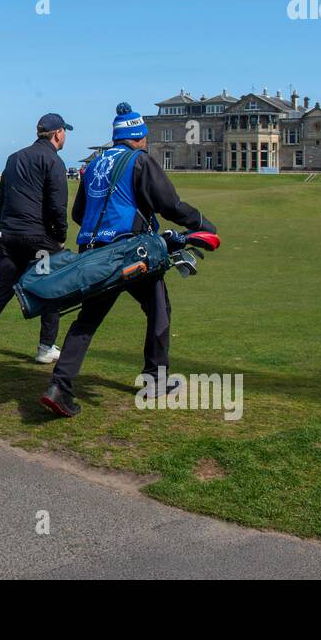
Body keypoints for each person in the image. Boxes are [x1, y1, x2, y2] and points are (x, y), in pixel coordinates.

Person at [40, 102, 218, 418]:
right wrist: (202, 224)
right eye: (144, 136)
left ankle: (59, 386)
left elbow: (79, 213)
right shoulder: (140, 161)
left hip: (92, 252)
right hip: (129, 253)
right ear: (137, 136)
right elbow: (170, 205)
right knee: (159, 310)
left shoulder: (95, 163)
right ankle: (156, 380)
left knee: (87, 321)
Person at [0, 113, 74, 375]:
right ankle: (46, 347)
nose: (65, 135)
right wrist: (60, 235)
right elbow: (58, 206)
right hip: (40, 242)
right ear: (57, 133)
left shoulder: (14, 158)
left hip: (10, 238)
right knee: (50, 286)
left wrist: (5, 227)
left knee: (2, 291)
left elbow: (0, 200)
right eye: (64, 132)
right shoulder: (53, 161)